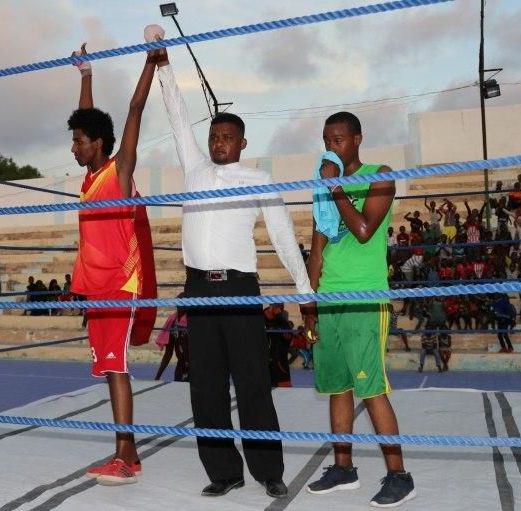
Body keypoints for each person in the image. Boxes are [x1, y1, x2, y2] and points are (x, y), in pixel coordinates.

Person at [155, 46, 312, 499]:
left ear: (242, 143)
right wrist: (163, 65)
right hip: (199, 289)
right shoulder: (195, 170)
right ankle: (224, 471)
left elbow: (283, 237)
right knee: (204, 386)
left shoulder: (259, 180)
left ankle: (268, 469)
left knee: (253, 382)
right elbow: (178, 116)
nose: (217, 142)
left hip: (241, 289)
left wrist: (305, 292)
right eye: (214, 136)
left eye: (226, 137)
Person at [303, 111, 415, 507]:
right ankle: (344, 467)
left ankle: (400, 474)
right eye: (326, 140)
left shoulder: (379, 175)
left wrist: (336, 189)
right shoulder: (322, 188)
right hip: (330, 300)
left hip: (366, 298)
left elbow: (366, 231)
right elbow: (316, 250)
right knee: (337, 386)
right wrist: (309, 304)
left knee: (371, 388)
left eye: (338, 139)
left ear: (356, 139)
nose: (331, 146)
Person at [67, 43, 159, 486]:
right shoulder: (89, 176)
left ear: (98, 145)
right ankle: (130, 453)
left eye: (79, 142)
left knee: (118, 367)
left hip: (120, 288)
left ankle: (125, 459)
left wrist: (150, 60)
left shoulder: (119, 172)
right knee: (108, 368)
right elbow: (88, 119)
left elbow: (134, 110)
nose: (73, 147)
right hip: (96, 291)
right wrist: (86, 74)